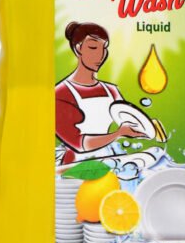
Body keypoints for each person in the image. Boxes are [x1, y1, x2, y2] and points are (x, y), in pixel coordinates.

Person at [55, 21, 145, 166]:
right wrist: (118, 134)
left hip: (110, 162)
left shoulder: (111, 90)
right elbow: (80, 144)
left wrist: (147, 127)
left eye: (104, 48)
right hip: (76, 167)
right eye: (93, 47)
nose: (100, 55)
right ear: (78, 48)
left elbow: (129, 121)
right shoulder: (61, 93)